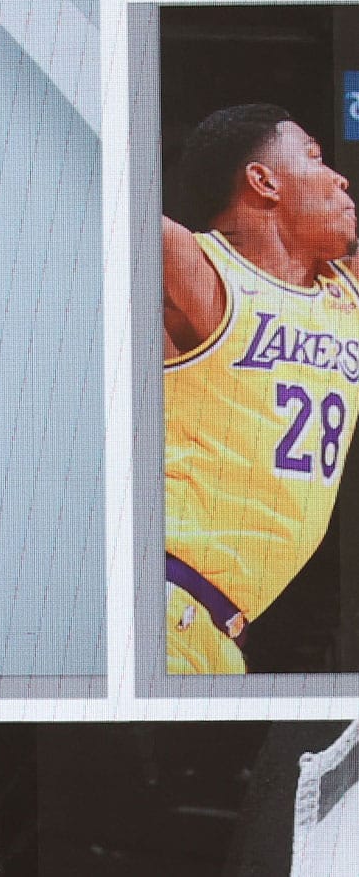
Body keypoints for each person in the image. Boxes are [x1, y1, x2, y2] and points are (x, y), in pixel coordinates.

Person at [163, 104, 359, 675]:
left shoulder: (346, 295)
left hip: (216, 626)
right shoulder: (196, 268)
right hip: (158, 591)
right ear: (263, 180)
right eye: (316, 158)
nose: (340, 178)